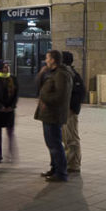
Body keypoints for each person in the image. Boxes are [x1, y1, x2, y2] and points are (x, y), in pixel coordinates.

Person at [34, 49, 72, 182]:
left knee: (55, 144)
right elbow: (39, 87)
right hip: (48, 114)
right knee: (51, 143)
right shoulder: (52, 73)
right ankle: (54, 168)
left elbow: (60, 95)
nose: (46, 60)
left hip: (53, 114)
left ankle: (61, 173)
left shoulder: (62, 74)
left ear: (53, 60)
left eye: (47, 58)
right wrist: (41, 73)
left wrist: (44, 98)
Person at [0, 58, 18, 163]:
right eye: (5, 66)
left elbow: (16, 95)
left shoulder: (13, 79)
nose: (8, 68)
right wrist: (0, 106)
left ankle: (10, 154)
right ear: (1, 68)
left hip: (10, 111)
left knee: (10, 133)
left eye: (8, 66)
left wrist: (12, 106)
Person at [61, 51, 85, 172]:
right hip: (65, 111)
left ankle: (74, 164)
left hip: (69, 112)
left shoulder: (71, 74)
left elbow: (80, 93)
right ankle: (69, 162)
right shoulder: (68, 73)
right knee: (66, 138)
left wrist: (72, 109)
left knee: (71, 138)